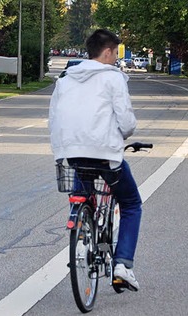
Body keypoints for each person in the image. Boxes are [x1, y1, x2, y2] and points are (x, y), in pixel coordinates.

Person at [48, 29, 142, 291]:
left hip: (72, 154)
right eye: (115, 54)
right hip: (105, 155)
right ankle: (123, 265)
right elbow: (126, 122)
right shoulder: (113, 79)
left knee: (82, 192)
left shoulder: (65, 79)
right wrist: (121, 135)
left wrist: (62, 149)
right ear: (109, 51)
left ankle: (81, 226)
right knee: (132, 203)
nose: (115, 59)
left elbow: (54, 119)